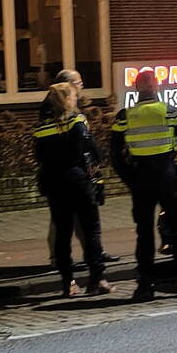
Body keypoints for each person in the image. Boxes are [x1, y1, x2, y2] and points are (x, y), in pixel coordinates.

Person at [111, 71, 177, 302]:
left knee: (144, 232)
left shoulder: (124, 116)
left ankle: (145, 284)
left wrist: (129, 178)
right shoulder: (170, 112)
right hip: (168, 175)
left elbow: (115, 155)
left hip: (141, 177)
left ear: (136, 88)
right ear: (156, 87)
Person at [33, 82, 111, 296]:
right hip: (78, 181)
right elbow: (93, 150)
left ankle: (68, 283)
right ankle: (98, 279)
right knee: (91, 230)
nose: (76, 99)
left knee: (63, 234)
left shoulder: (41, 129)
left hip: (55, 184)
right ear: (67, 100)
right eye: (74, 96)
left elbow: (39, 157)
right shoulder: (77, 121)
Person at [41, 70, 119, 267]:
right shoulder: (55, 108)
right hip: (71, 174)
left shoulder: (68, 107)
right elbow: (81, 143)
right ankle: (61, 259)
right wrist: (92, 160)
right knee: (65, 220)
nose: (82, 86)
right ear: (68, 85)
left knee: (74, 219)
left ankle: (92, 253)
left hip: (64, 174)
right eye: (78, 82)